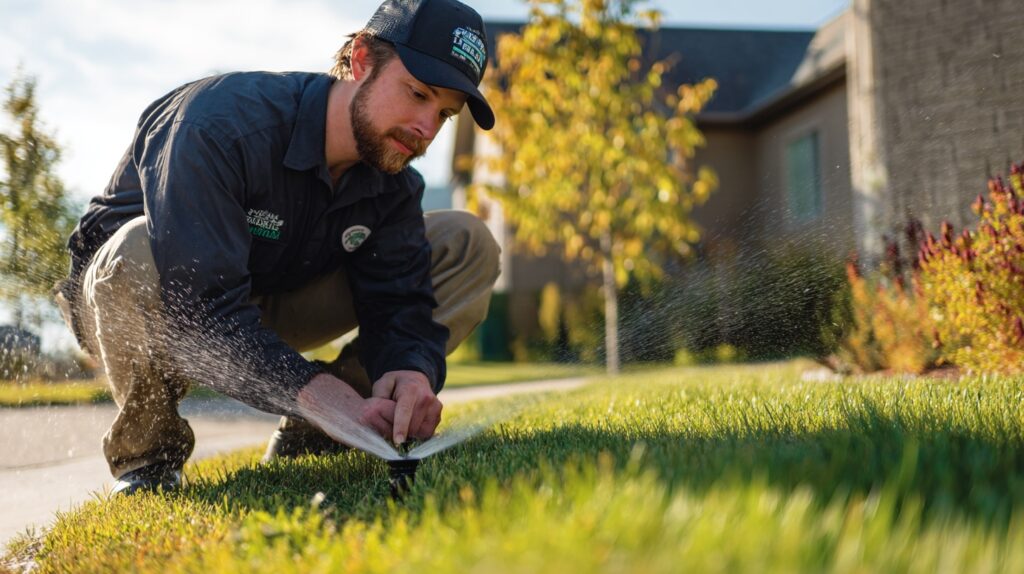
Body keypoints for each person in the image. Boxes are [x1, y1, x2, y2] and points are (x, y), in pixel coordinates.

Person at [54, 0, 500, 496]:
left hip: (269, 299)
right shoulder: (217, 124)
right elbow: (201, 307)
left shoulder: (393, 183)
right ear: (360, 61)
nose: (425, 129)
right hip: (147, 306)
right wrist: (313, 389)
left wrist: (409, 369)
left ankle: (316, 433)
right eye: (417, 93)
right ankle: (148, 463)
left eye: (444, 114)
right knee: (137, 251)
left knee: (468, 242)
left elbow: (402, 301)